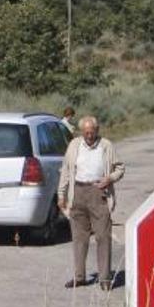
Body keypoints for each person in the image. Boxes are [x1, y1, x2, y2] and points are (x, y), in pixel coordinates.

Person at [57, 116, 125, 291]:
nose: (89, 135)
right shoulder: (74, 145)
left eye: (92, 132)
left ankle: (104, 278)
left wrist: (109, 178)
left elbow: (120, 168)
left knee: (103, 237)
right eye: (85, 132)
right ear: (81, 132)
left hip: (98, 192)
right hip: (77, 192)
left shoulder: (106, 145)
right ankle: (79, 277)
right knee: (79, 238)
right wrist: (61, 194)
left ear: (97, 130)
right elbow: (66, 169)